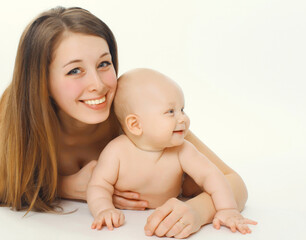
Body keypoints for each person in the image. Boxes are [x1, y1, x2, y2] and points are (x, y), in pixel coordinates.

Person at [0, 6, 250, 238]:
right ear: (41, 82)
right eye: (74, 70)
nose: (98, 85)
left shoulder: (132, 115)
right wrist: (63, 187)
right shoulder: (16, 110)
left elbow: (233, 181)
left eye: (104, 64)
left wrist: (199, 210)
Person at [87, 68, 257, 235]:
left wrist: (227, 208)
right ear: (135, 125)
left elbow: (212, 176)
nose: (183, 118)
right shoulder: (116, 151)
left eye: (182, 110)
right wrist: (104, 210)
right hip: (128, 228)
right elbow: (99, 185)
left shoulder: (182, 150)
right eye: (170, 112)